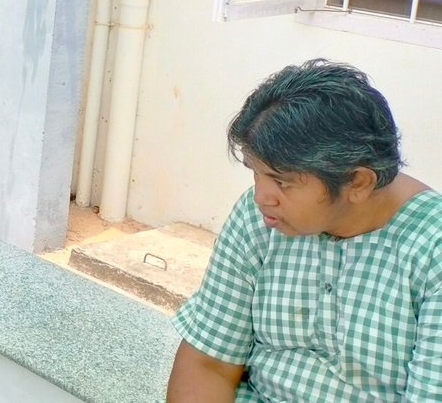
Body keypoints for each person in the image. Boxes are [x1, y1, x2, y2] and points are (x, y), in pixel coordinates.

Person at [167, 60, 442, 402]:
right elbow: (209, 363)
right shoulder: (260, 217)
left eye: (281, 181)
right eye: (256, 173)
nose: (261, 196)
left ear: (357, 182)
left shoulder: (433, 250)